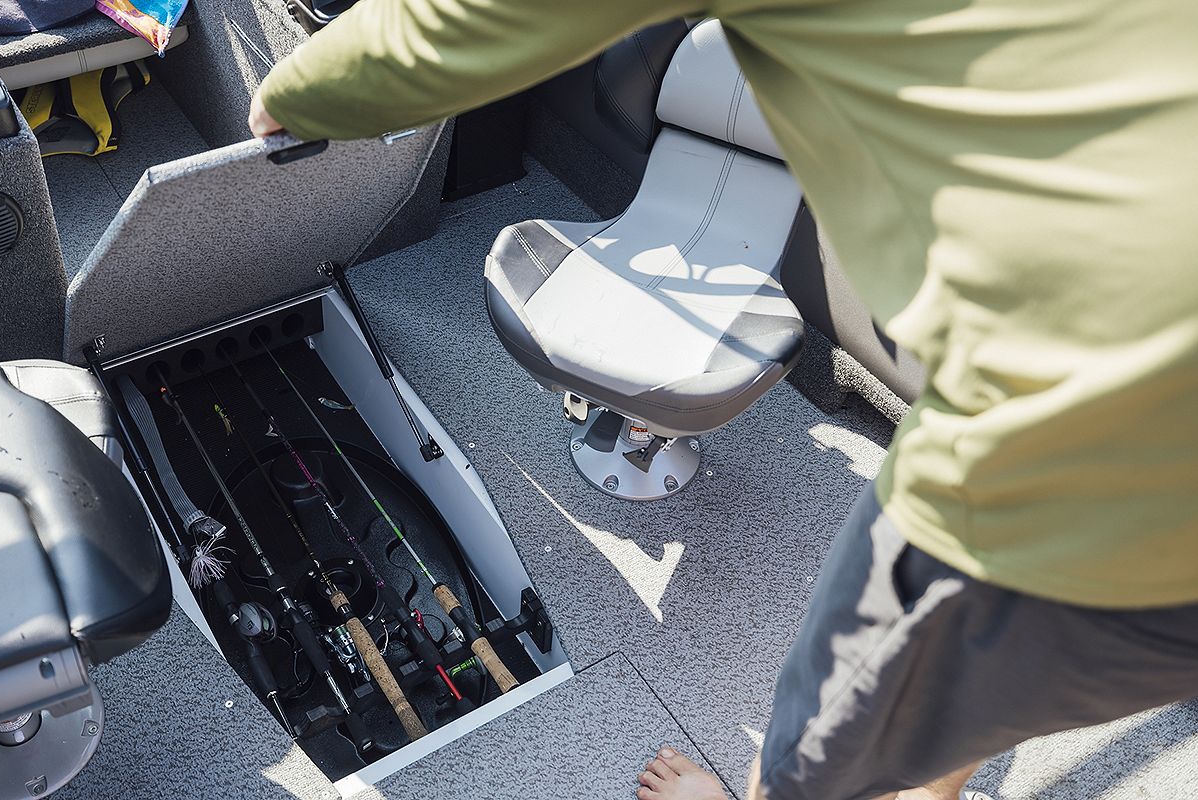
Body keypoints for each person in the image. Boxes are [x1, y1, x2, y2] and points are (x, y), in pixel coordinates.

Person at [245, 2, 1198, 798]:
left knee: (828, 749)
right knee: (971, 688)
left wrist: (302, 92)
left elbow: (482, 17)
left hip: (1073, 457)